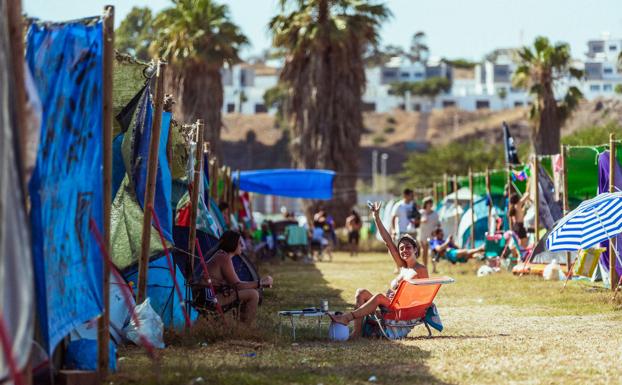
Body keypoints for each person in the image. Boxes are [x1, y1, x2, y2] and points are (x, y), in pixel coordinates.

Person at [328, 202, 428, 338]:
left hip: (402, 311)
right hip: (389, 306)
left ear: (415, 249)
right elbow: (388, 241)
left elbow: (422, 297)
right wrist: (376, 217)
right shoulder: (402, 266)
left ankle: (347, 318)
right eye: (401, 248)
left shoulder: (421, 270)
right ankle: (356, 333)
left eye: (408, 247)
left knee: (379, 297)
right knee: (361, 293)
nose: (404, 250)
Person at [205, 231, 273, 325]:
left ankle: (241, 327)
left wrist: (258, 283)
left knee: (248, 292)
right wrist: (260, 283)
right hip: (210, 297)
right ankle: (244, 329)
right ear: (232, 243)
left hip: (212, 295)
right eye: (239, 243)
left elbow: (236, 284)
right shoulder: (223, 257)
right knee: (253, 294)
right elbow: (238, 286)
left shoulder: (222, 256)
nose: (242, 245)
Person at [418, 197, 440, 268]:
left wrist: (435, 230)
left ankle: (434, 267)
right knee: (424, 251)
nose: (430, 204)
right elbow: (415, 222)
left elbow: (438, 224)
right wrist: (421, 221)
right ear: (425, 204)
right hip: (422, 235)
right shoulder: (421, 212)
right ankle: (425, 266)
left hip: (432, 235)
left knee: (433, 252)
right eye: (428, 203)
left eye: (431, 203)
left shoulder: (435, 214)